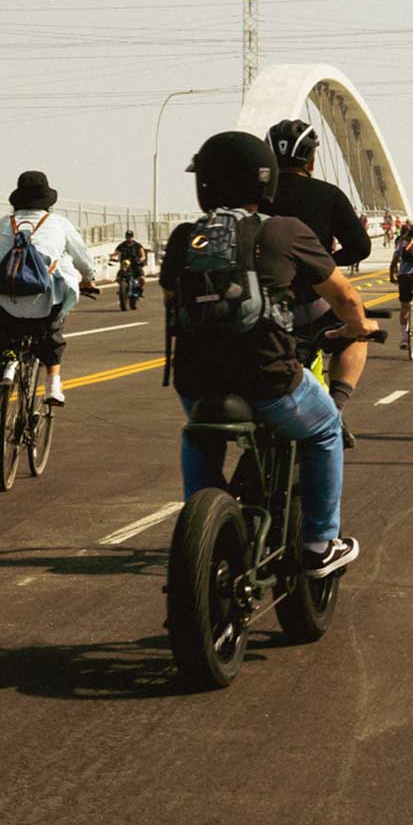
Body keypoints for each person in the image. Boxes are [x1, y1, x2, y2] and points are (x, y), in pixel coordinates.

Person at [160, 131, 379, 578]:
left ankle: (210, 531)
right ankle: (320, 543)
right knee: (323, 429)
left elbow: (171, 299)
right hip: (267, 377)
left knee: (198, 433)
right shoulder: (284, 231)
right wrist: (359, 329)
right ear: (265, 182)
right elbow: (346, 300)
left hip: (196, 378)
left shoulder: (185, 239)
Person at [0, 171, 98, 462]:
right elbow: (83, 258)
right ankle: (54, 384)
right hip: (42, 307)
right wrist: (89, 279)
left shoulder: (4, 224)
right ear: (47, 201)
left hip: (4, 308)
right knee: (53, 329)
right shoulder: (58, 223)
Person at [261, 118, 374, 425]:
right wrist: (326, 262)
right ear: (311, 161)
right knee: (356, 333)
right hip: (311, 305)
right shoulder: (328, 195)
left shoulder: (254, 197)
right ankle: (335, 407)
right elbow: (361, 247)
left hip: (259, 307)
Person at [110, 229, 148, 302]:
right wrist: (112, 257)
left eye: (130, 236)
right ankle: (122, 289)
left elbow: (143, 255)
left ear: (133, 237)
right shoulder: (122, 245)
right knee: (118, 278)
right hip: (125, 266)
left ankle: (140, 290)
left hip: (135, 265)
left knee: (142, 279)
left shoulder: (137, 245)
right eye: (127, 236)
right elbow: (116, 253)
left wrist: (141, 259)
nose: (129, 238)